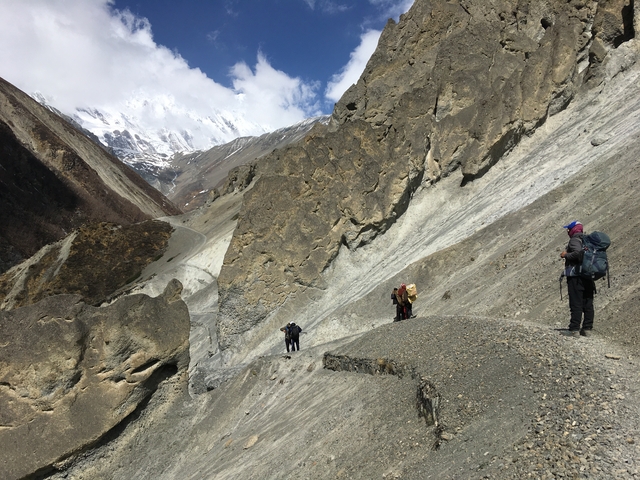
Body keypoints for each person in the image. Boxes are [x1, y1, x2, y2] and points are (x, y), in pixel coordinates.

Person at [560, 221, 596, 337]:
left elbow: (577, 253)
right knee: (588, 302)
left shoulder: (574, 240)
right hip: (588, 276)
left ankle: (574, 329)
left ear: (573, 230)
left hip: (576, 277)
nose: (567, 231)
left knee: (576, 303)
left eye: (568, 229)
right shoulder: (587, 240)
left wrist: (565, 255)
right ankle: (587, 328)